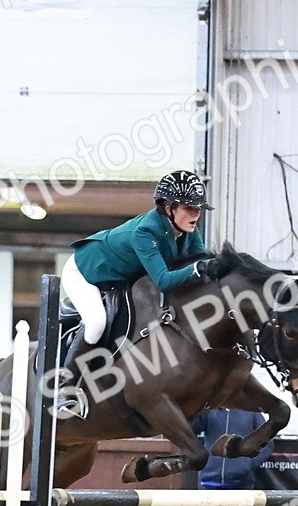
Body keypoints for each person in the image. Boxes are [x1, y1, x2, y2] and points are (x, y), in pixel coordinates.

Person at [54, 170, 214, 417]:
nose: (195, 214)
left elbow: (200, 262)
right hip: (85, 273)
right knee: (96, 323)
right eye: (189, 207)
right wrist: (197, 269)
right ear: (169, 208)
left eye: (198, 208)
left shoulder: (189, 230)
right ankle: (65, 387)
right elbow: (164, 280)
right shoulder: (145, 232)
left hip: (118, 280)